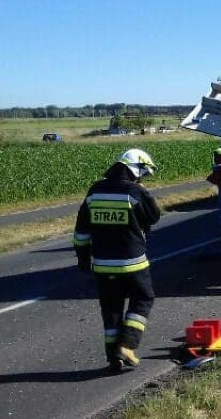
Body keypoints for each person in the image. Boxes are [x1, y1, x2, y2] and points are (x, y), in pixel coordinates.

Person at [73, 148, 160, 373]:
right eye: (142, 174)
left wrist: (83, 259)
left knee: (111, 309)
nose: (142, 179)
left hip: (102, 264)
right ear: (135, 169)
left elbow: (81, 231)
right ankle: (128, 346)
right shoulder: (134, 191)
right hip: (133, 263)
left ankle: (114, 357)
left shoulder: (94, 191)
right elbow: (153, 216)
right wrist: (143, 191)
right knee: (143, 299)